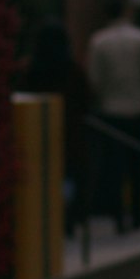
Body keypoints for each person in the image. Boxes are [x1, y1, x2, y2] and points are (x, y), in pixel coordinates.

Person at [85, 0, 140, 232]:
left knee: (114, 168)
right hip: (138, 108)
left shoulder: (99, 42)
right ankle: (138, 213)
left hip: (111, 111)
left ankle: (118, 215)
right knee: (137, 166)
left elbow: (94, 78)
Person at [19, 17, 91, 234]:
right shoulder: (72, 71)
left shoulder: (32, 70)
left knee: (42, 180)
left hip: (36, 134)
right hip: (69, 134)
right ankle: (66, 219)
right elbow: (85, 99)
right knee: (67, 179)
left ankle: (45, 220)